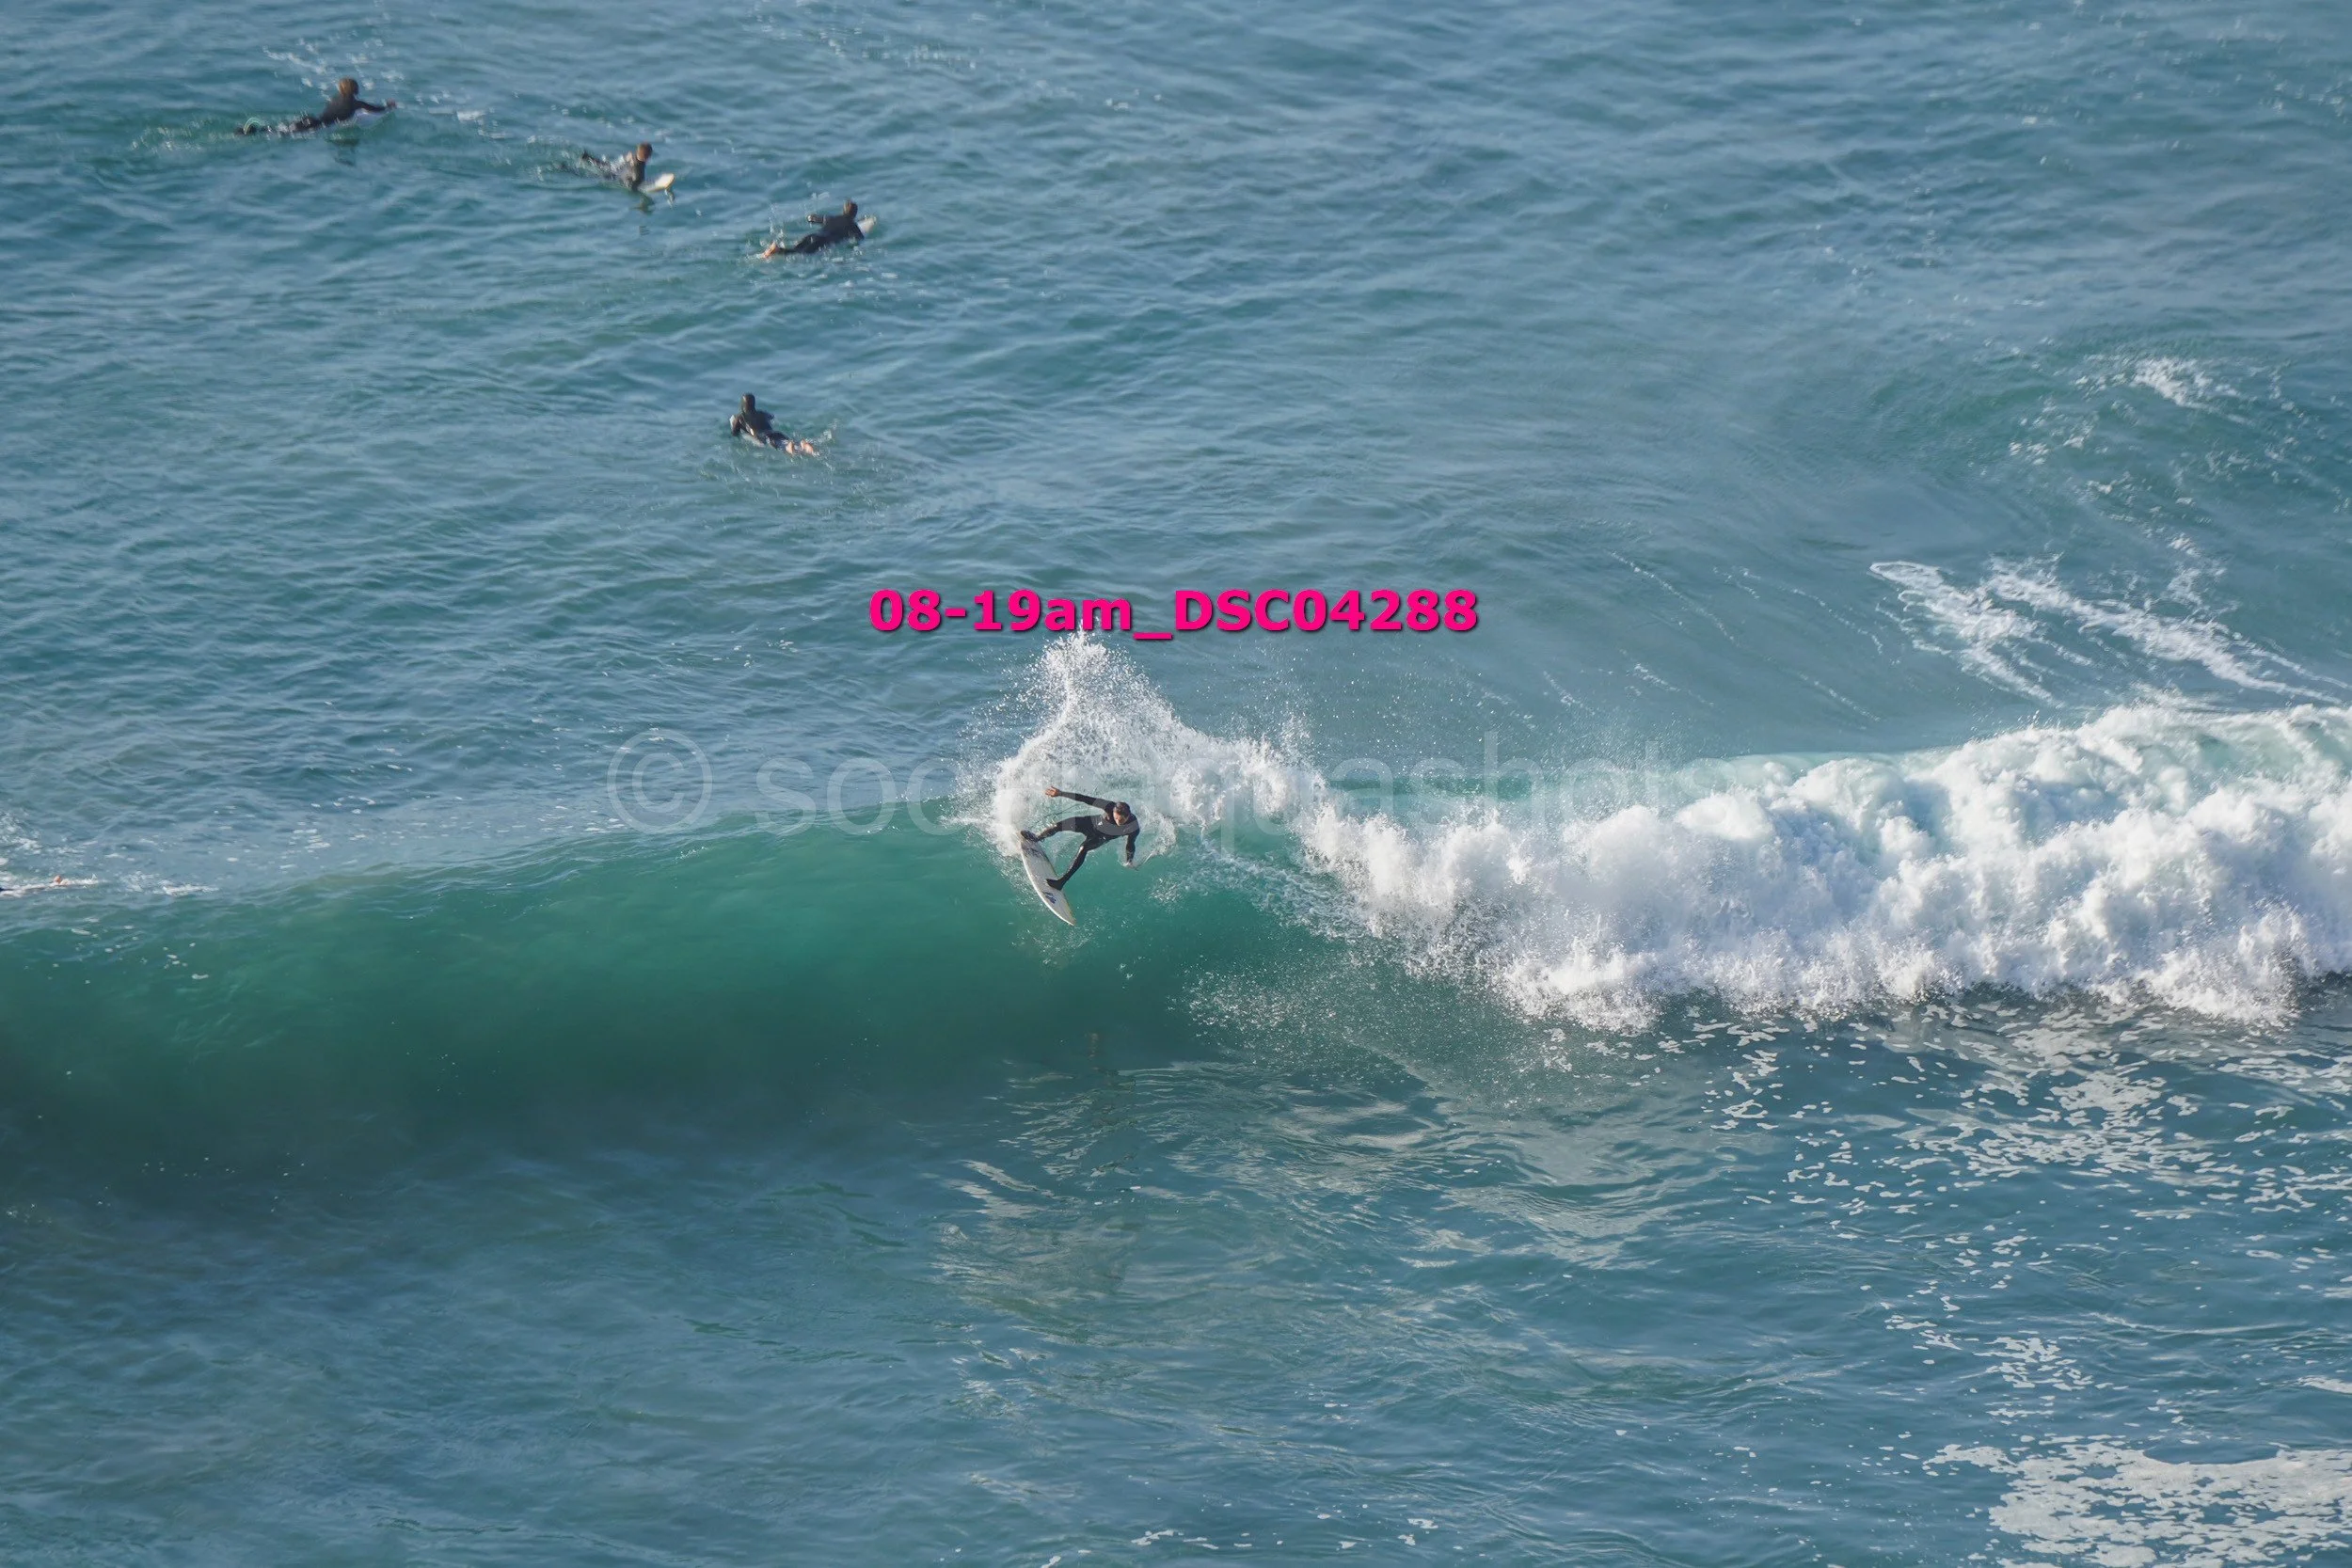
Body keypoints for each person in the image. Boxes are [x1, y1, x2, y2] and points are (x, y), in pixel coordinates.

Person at [1022, 787, 1138, 890]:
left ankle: (1061, 882)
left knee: (1083, 848)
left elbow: (1130, 844)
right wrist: (1061, 793)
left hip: (1101, 837)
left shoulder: (1133, 827)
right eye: (1117, 818)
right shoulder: (1110, 806)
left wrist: (1129, 860)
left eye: (1122, 820)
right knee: (1059, 826)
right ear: (1113, 812)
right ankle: (1036, 838)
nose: (1119, 822)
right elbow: (1085, 798)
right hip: (1091, 823)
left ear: (1128, 816)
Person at [238, 77, 394, 136]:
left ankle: (253, 129)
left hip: (312, 119)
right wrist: (389, 105)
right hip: (318, 126)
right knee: (282, 134)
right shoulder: (356, 103)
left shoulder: (335, 98)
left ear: (341, 90)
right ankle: (252, 132)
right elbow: (377, 109)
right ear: (356, 90)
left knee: (281, 129)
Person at [762, 199, 864, 258]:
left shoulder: (831, 218)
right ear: (854, 214)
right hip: (822, 241)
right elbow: (860, 238)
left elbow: (812, 218)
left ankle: (774, 250)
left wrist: (811, 217)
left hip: (813, 236)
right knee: (801, 254)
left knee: (796, 249)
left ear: (843, 210)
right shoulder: (852, 225)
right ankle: (777, 250)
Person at [729, 394, 817, 455]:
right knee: (786, 441)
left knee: (781, 447)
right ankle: (803, 444)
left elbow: (734, 433)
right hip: (776, 432)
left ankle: (790, 448)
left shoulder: (739, 417)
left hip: (764, 437)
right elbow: (772, 417)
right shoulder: (762, 413)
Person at [581, 141, 655, 191]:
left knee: (605, 165)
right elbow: (632, 186)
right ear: (648, 157)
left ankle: (587, 157)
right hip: (613, 177)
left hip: (615, 168)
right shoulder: (639, 169)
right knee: (590, 176)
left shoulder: (632, 156)